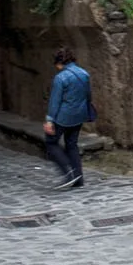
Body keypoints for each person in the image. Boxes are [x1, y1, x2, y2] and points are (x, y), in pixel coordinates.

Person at [42, 47, 93, 191]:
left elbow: (55, 101)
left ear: (59, 62)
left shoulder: (61, 78)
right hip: (79, 115)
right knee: (72, 144)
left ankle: (68, 172)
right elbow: (88, 95)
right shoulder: (84, 74)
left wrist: (49, 120)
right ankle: (79, 177)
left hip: (63, 116)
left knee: (51, 142)